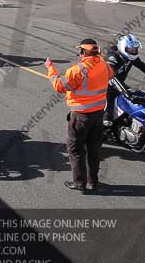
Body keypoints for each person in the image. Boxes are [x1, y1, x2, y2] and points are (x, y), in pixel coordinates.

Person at [45, 39, 114, 192]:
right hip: (98, 115)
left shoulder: (77, 70)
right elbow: (110, 74)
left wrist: (50, 69)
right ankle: (93, 182)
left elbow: (59, 86)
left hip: (80, 116)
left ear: (83, 52)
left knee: (76, 150)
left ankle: (80, 183)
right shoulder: (104, 65)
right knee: (93, 150)